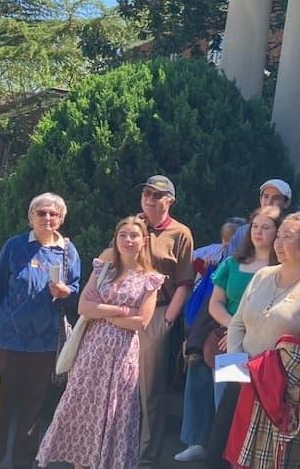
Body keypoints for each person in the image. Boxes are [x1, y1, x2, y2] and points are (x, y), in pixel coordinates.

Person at [37, 216, 165, 469]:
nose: (128, 241)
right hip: (91, 351)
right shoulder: (103, 270)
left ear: (144, 241)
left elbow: (141, 321)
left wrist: (103, 310)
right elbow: (84, 306)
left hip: (122, 355)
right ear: (116, 240)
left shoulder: (150, 279)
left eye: (134, 236)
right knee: (84, 411)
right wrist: (121, 310)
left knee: (116, 413)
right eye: (123, 235)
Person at [0, 193, 82, 469]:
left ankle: (23, 462)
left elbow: (78, 295)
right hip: (6, 339)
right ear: (31, 216)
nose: (48, 218)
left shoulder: (67, 252)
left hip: (44, 343)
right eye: (42, 213)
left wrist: (67, 292)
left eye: (54, 214)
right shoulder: (15, 246)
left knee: (32, 408)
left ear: (61, 218)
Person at [98, 174, 196, 467]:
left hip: (156, 314)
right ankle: (114, 446)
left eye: (157, 195)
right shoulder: (133, 227)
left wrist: (167, 320)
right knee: (117, 383)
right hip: (120, 312)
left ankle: (146, 457)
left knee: (149, 389)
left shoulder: (180, 234)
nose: (150, 200)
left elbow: (184, 282)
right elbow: (107, 262)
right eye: (146, 195)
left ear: (170, 201)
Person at [224, 209, 300, 468]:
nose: (279, 243)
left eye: (287, 236)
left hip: (277, 390)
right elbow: (238, 322)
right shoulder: (263, 275)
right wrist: (237, 369)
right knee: (230, 453)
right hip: (240, 376)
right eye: (279, 235)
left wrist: (263, 371)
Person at [175, 206, 282, 463]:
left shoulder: (283, 270)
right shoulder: (232, 263)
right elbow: (215, 303)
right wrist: (235, 330)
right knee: (226, 403)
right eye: (255, 226)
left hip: (265, 348)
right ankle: (218, 454)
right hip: (228, 344)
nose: (258, 232)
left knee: (252, 409)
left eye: (266, 227)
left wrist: (248, 333)